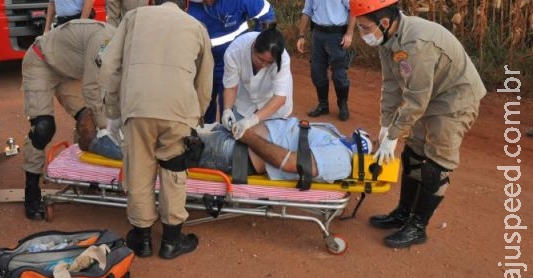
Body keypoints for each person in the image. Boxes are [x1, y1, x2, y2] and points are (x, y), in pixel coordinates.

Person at [350, 0, 486, 248]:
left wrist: (393, 135)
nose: (362, 34)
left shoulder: (416, 44)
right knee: (413, 154)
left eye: (364, 27)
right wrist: (386, 126)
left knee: (435, 166)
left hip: (454, 99)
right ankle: (403, 213)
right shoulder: (388, 40)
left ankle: (417, 226)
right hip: (430, 95)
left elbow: (416, 98)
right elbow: (391, 85)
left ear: (385, 22)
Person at [102, 0, 214, 260]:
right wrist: (195, 116)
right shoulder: (196, 26)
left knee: (139, 170)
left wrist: (114, 110)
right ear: (183, 5)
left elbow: (108, 64)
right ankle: (171, 241)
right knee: (174, 172)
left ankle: (141, 240)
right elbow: (205, 79)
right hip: (178, 110)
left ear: (153, 1)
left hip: (137, 106)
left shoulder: (134, 17)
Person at [79, 114, 372, 185]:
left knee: (167, 152)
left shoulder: (342, 159)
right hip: (235, 142)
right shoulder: (336, 139)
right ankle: (117, 136)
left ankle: (100, 144)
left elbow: (296, 165)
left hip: (238, 153)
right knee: (171, 138)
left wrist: (248, 137)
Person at [21, 19, 116, 220]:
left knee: (87, 121)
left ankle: (85, 178)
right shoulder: (106, 41)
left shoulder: (124, 46)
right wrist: (105, 128)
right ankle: (31, 191)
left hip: (70, 72)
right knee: (43, 128)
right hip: (42, 62)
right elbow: (93, 88)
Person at [186, 0, 275, 124]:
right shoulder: (187, 1)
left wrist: (258, 45)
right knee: (203, 107)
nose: (201, 0)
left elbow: (267, 15)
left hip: (234, 62)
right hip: (203, 64)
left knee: (231, 108)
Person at [296, 0, 356, 121]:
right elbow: (306, 12)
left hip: (337, 36)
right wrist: (301, 35)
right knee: (317, 72)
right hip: (318, 36)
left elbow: (353, 9)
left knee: (339, 74)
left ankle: (342, 105)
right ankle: (323, 105)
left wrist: (349, 33)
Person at [221, 24, 293, 140]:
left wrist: (251, 121)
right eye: (260, 59)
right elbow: (231, 87)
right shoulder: (235, 51)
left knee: (271, 142)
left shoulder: (283, 60)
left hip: (273, 104)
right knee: (238, 140)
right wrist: (227, 109)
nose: (263, 65)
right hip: (245, 100)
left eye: (269, 63)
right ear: (254, 47)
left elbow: (279, 98)